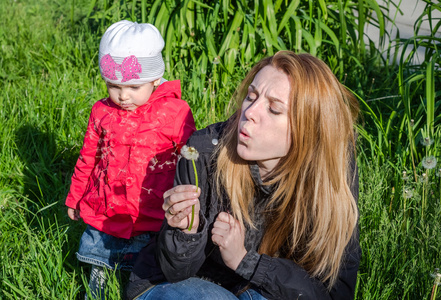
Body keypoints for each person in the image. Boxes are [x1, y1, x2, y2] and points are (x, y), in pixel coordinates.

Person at [128, 51, 361, 300]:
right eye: (251, 96)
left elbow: (334, 292)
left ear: (308, 130)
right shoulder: (203, 151)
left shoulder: (332, 170)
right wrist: (187, 233)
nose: (249, 112)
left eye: (273, 109)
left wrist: (246, 261)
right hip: (186, 283)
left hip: (261, 288)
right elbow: (174, 271)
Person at [65, 20, 196, 298]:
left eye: (134, 87)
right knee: (100, 261)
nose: (123, 95)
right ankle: (98, 286)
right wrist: (75, 197)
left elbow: (190, 161)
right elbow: (88, 157)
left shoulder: (175, 112)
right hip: (106, 209)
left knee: (145, 271)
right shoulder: (101, 111)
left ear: (155, 79)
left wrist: (191, 201)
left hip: (151, 210)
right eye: (113, 85)